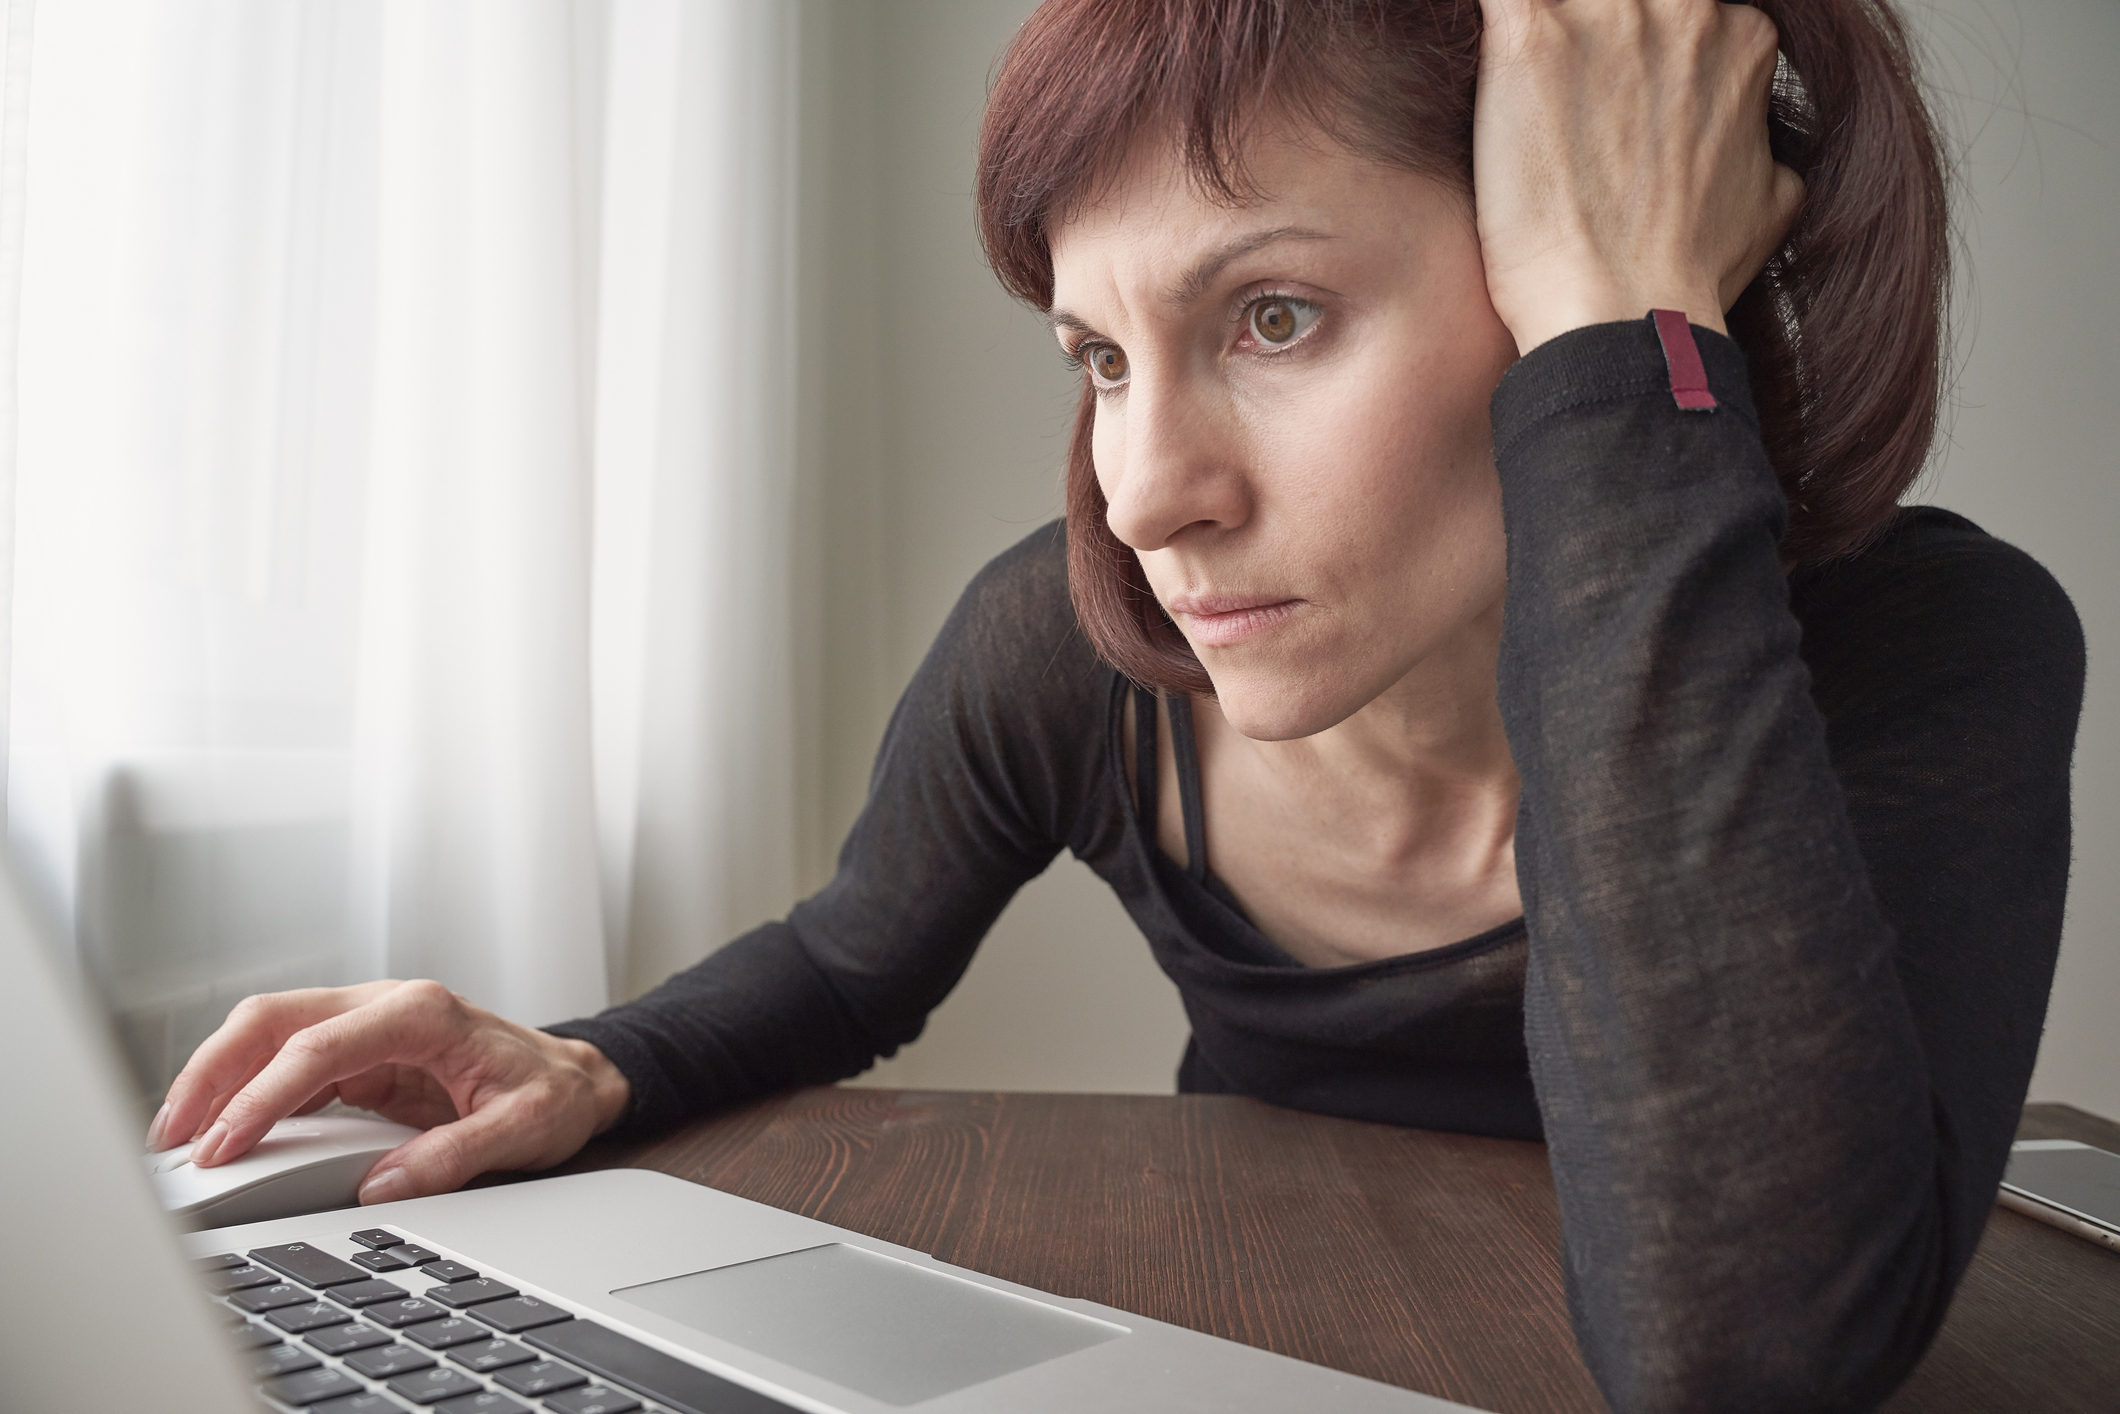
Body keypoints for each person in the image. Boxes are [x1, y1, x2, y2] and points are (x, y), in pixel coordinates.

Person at [147, 0, 2085, 1408]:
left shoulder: (1944, 653)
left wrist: (1627, 340)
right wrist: (596, 1061)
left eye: (1273, 316)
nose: (1147, 492)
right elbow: (845, 959)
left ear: (1622, 248)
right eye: (1097, 353)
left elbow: (1742, 1349)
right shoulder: (1064, 660)